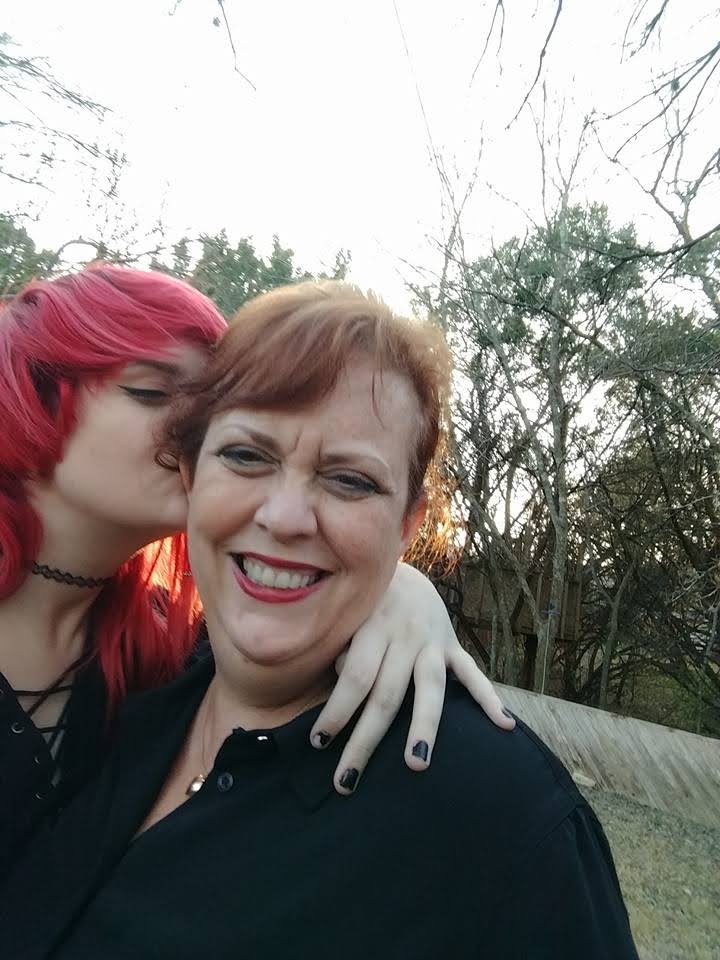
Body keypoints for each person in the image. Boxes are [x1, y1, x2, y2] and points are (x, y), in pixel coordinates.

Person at [5, 282, 638, 959]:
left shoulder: (497, 814)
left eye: (351, 481)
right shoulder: (158, 702)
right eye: (246, 455)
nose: (283, 516)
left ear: (409, 523)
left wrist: (399, 585)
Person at [0, 265, 512, 878]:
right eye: (152, 393)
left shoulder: (163, 656)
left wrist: (395, 584)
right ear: (28, 393)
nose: (189, 430)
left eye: (211, 413)